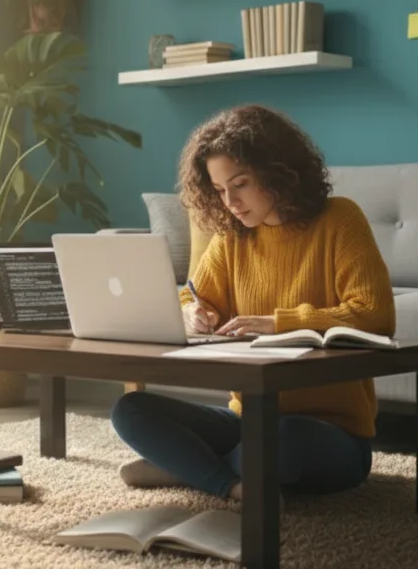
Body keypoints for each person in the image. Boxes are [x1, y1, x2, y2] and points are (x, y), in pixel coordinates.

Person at [110, 104, 396, 501]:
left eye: (240, 184)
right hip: (250, 422)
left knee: (281, 441)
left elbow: (374, 313)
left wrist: (280, 323)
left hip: (332, 435)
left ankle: (189, 466)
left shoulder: (340, 218)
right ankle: (229, 483)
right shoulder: (232, 237)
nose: (230, 201)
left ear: (277, 171)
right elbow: (190, 295)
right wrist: (193, 312)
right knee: (130, 410)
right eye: (219, 190)